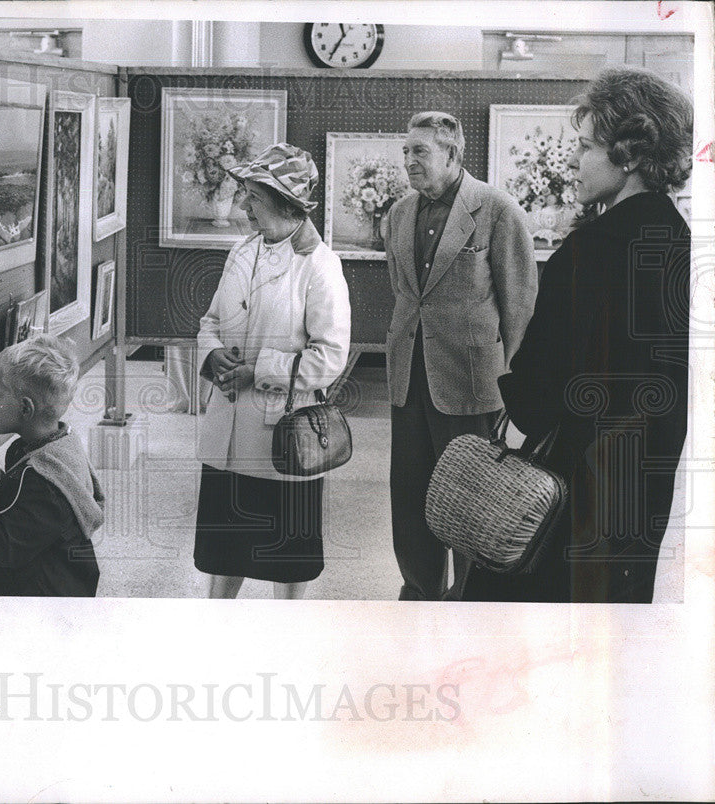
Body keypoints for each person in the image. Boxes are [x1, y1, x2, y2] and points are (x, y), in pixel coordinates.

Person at [460, 67, 692, 603]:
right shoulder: (680, 242)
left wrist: (515, 396)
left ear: (629, 154)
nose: (573, 158)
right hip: (641, 488)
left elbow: (539, 394)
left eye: (586, 146)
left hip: (565, 491)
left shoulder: (590, 251)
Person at [384, 112, 538, 600]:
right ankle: (420, 592)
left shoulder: (497, 210)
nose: (410, 161)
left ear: (452, 154)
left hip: (473, 384)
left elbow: (520, 307)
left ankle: (472, 602)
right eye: (406, 151)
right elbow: (407, 297)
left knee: (471, 501)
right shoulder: (399, 213)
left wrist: (514, 388)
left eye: (420, 152)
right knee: (410, 497)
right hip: (408, 380)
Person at [194, 142, 351, 600]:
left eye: (253, 197)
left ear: (284, 202)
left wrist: (258, 370)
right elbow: (211, 321)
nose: (243, 205)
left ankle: (289, 628)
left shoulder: (320, 268)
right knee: (225, 546)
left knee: (288, 552)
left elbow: (329, 358)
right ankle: (217, 622)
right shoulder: (243, 252)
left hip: (282, 433)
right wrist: (212, 354)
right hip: (228, 426)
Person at [0, 335, 103, 596]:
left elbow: (2, 547)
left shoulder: (44, 482)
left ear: (26, 409)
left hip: (39, 604)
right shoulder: (53, 447)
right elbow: (22, 517)